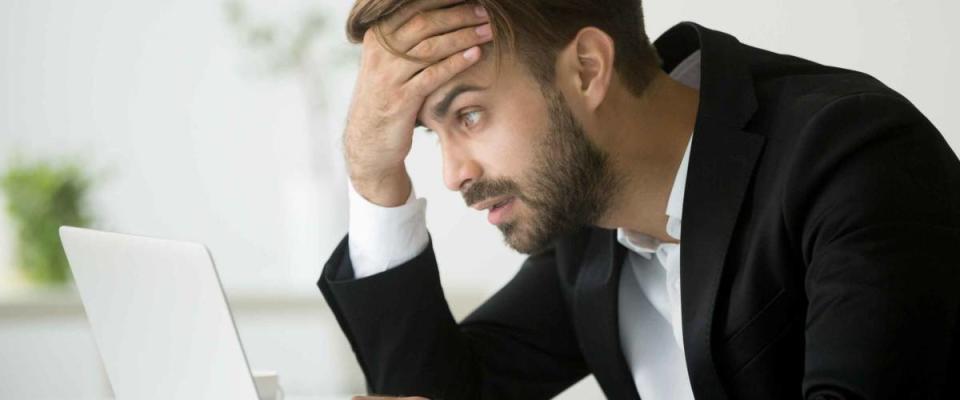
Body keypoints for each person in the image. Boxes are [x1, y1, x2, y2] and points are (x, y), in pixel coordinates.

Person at [318, 0, 960, 398]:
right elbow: (438, 396)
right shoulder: (589, 223)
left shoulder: (852, 155)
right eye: (432, 135)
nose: (454, 174)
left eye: (470, 114)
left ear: (588, 70)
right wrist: (374, 179)